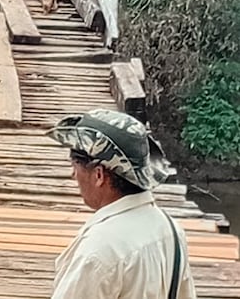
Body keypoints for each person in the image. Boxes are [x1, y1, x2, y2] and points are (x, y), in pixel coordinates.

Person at [47, 109, 196, 299]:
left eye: (75, 167)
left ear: (99, 175)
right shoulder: (172, 231)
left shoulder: (98, 252)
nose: (73, 175)